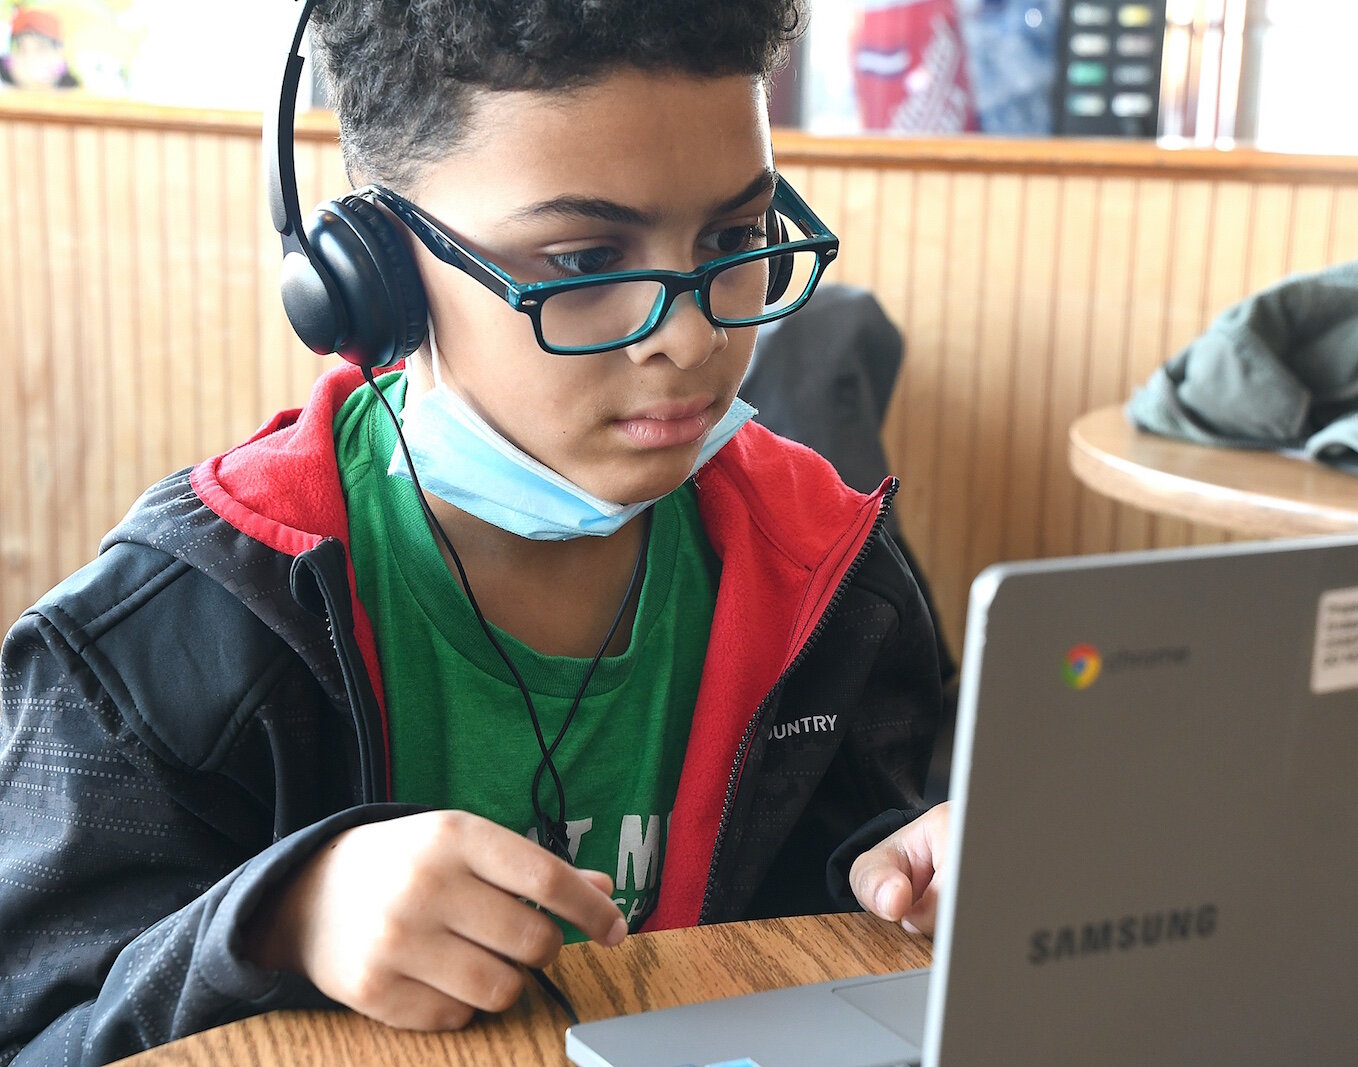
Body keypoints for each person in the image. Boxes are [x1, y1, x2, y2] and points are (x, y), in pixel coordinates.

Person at [0, 1, 951, 1063]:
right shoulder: (174, 629)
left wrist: (912, 865)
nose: (691, 336)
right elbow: (38, 1021)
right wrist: (275, 920)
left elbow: (862, 863)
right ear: (375, 277)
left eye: (735, 239)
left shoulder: (835, 571)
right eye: (588, 258)